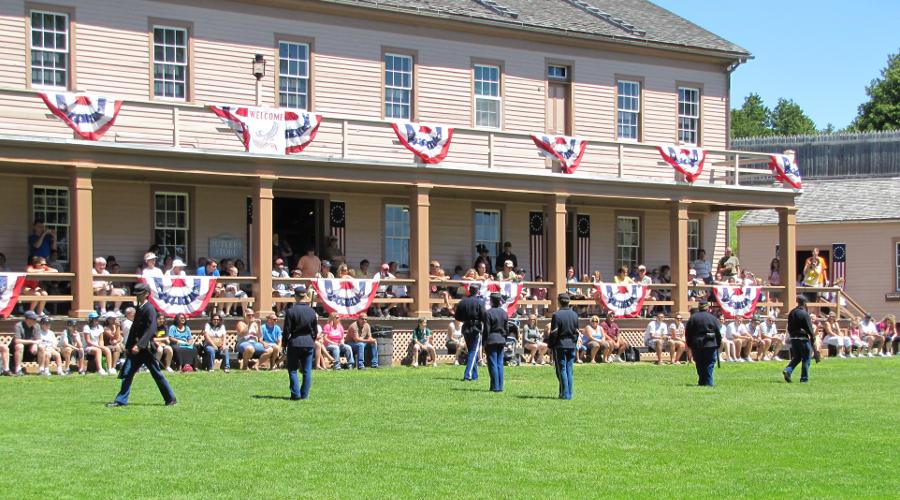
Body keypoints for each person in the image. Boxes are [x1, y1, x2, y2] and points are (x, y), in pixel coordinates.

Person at [107, 282, 177, 407]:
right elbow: (134, 329)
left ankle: (170, 398)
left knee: (156, 373)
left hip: (145, 349)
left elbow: (151, 329)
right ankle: (121, 400)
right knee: (127, 373)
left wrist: (139, 345)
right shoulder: (140, 308)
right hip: (136, 348)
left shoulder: (149, 308)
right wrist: (129, 346)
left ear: (146, 294)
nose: (137, 296)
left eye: (140, 294)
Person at [282, 285, 318, 400]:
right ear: (305, 296)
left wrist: (284, 344)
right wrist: (312, 339)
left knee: (292, 369)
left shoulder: (290, 311)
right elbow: (315, 331)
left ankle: (295, 394)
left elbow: (286, 331)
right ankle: (304, 395)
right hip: (308, 342)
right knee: (307, 371)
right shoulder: (312, 312)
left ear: (296, 297)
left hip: (295, 342)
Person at [685, 300, 721, 386]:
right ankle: (709, 382)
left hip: (696, 344)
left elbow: (688, 332)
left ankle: (701, 381)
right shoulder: (713, 318)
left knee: (699, 363)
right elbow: (717, 333)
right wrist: (718, 343)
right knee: (709, 363)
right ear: (707, 308)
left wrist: (689, 344)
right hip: (710, 343)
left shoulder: (693, 318)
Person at [454, 283, 486, 381]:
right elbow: (484, 317)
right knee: (473, 351)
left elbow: (457, 317)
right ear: (477, 291)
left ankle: (475, 376)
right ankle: (467, 375)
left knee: (472, 351)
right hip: (476, 328)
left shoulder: (462, 302)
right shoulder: (480, 302)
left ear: (469, 290)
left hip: (466, 328)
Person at [550, 293, 579, 400]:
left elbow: (554, 333)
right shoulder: (575, 315)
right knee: (569, 369)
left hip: (560, 345)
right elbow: (577, 332)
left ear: (559, 302)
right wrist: (574, 343)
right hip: (571, 344)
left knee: (562, 369)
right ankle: (570, 393)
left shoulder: (557, 315)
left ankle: (564, 394)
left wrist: (551, 345)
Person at [783, 295, 817, 383]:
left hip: (793, 338)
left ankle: (788, 370)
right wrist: (813, 338)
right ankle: (804, 379)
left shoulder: (792, 312)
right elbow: (809, 328)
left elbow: (789, 327)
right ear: (805, 303)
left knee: (797, 357)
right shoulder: (804, 313)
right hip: (803, 339)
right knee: (806, 358)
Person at [483, 293, 508, 392]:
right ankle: (500, 386)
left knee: (492, 363)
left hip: (491, 339)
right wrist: (504, 337)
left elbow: (486, 329)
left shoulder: (488, 313)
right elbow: (507, 328)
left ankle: (495, 386)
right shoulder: (504, 313)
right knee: (500, 363)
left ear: (491, 301)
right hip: (501, 339)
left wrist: (484, 342)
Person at [13, 311, 44, 375]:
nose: (35, 320)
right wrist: (33, 342)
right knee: (20, 346)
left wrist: (35, 344)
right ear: (27, 319)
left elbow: (39, 340)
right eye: (33, 319)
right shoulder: (18, 325)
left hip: (31, 350)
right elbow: (17, 340)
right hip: (18, 350)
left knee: (41, 347)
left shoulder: (37, 326)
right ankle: (18, 369)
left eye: (35, 319)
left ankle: (41, 370)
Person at [82, 311, 113, 375]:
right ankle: (100, 369)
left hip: (97, 346)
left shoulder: (100, 327)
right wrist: (99, 347)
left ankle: (109, 369)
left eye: (97, 318)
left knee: (107, 349)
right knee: (98, 350)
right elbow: (88, 341)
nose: (97, 320)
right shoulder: (86, 327)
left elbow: (101, 340)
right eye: (95, 319)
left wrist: (101, 346)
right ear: (91, 320)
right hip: (88, 347)